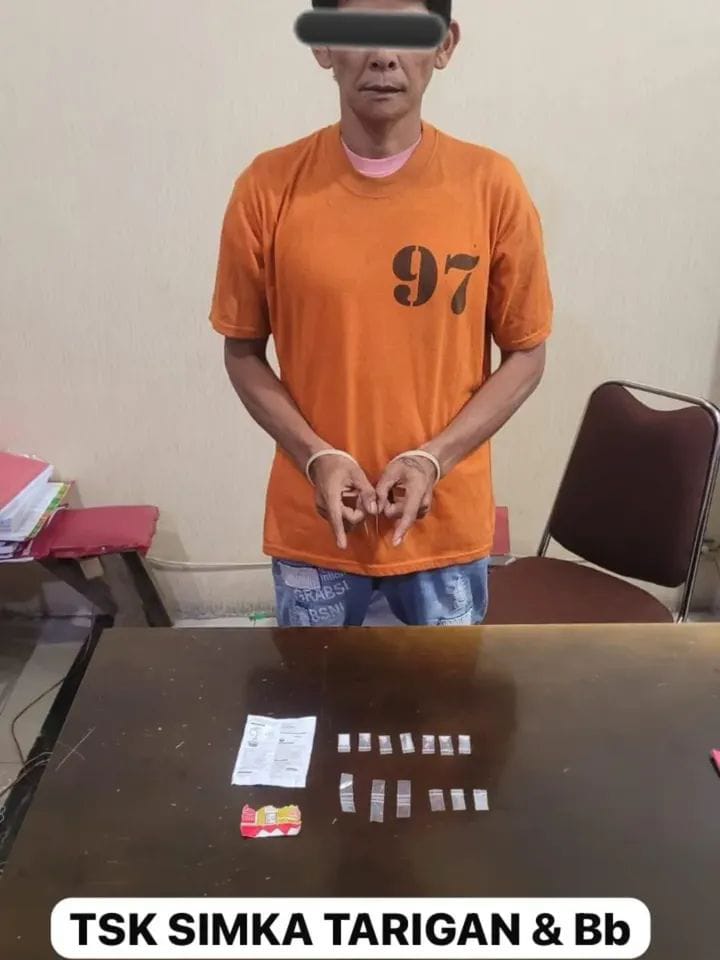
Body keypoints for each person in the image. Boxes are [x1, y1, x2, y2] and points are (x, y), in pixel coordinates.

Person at [210, 0, 553, 627]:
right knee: (313, 689)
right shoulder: (266, 188)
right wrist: (314, 455)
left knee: (446, 692)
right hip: (316, 528)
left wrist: (434, 458)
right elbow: (242, 350)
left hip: (444, 529)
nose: (384, 56)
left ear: (445, 45)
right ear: (323, 47)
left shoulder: (492, 186)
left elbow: (527, 353)